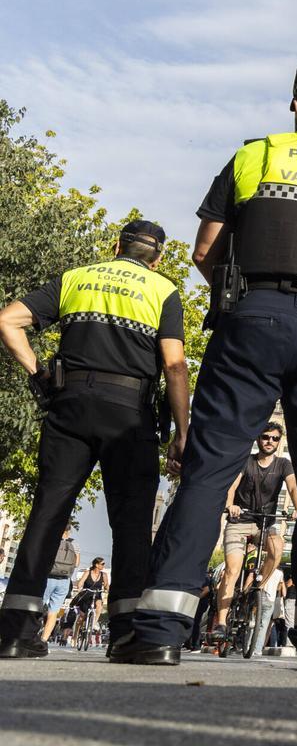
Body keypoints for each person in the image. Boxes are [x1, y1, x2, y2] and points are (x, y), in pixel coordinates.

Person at [115, 62, 297, 673]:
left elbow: (204, 250)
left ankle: (162, 629)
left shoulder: (257, 156)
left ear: (295, 107)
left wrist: (241, 296)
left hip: (254, 317)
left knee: (210, 466)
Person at [0, 220, 189, 659]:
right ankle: (125, 634)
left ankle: (14, 631)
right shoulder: (162, 291)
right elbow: (175, 366)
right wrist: (182, 432)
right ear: (157, 258)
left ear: (115, 246)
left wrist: (40, 375)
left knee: (49, 510)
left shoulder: (76, 279)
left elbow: (9, 321)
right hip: (129, 412)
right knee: (131, 521)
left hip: (71, 404)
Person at [210, 422, 297, 641]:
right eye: (265, 437)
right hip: (239, 521)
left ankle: (256, 589)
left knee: (277, 548)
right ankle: (221, 623)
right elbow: (231, 486)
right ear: (258, 439)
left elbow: (294, 487)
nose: (269, 441)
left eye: (275, 438)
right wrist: (231, 504)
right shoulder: (246, 461)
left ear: (279, 442)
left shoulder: (283, 464)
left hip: (265, 523)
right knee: (232, 570)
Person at [40, 525, 79, 646]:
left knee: (37, 608)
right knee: (53, 612)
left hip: (48, 578)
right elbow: (76, 564)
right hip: (64, 581)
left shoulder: (51, 540)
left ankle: (29, 636)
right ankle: (43, 640)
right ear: (69, 532)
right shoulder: (74, 544)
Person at [71, 558, 109, 647]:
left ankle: (94, 622)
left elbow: (107, 585)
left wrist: (107, 589)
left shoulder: (104, 575)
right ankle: (75, 636)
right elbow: (80, 583)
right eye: (102, 564)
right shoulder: (88, 572)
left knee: (99, 605)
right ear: (96, 564)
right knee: (81, 619)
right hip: (87, 595)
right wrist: (79, 587)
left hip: (97, 594)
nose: (103, 565)